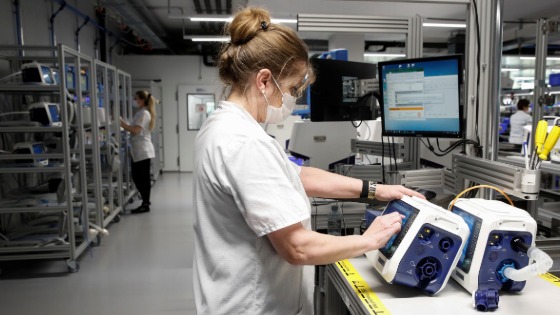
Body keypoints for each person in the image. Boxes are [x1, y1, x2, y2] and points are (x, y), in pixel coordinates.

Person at [192, 7, 425, 315]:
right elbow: (297, 247)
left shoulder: (224, 125)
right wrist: (369, 241)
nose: (290, 100)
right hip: (251, 306)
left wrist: (378, 190)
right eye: (290, 89)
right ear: (263, 80)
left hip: (230, 296)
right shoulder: (245, 143)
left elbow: (299, 176)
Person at [120, 91, 156, 214]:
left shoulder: (144, 113)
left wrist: (122, 124)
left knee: (141, 178)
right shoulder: (141, 113)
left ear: (142, 100)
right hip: (138, 149)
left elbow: (136, 130)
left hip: (142, 149)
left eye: (136, 98)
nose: (134, 101)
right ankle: (146, 202)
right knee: (139, 177)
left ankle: (145, 204)